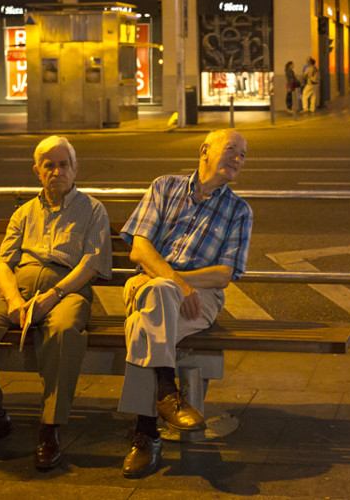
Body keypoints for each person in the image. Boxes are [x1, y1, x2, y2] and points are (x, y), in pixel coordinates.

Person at [0, 136, 111, 471]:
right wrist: (12, 299)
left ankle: (50, 427)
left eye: (63, 164)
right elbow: (3, 263)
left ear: (75, 168)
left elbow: (92, 264)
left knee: (65, 331)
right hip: (20, 286)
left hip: (66, 289)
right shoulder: (24, 213)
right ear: (37, 172)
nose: (57, 171)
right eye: (49, 166)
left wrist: (52, 296)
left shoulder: (93, 210)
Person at [119, 129, 253, 479]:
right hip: (156, 286)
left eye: (243, 155)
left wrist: (174, 281)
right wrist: (172, 281)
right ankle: (167, 393)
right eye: (231, 150)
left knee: (144, 319)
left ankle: (145, 433)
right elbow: (138, 248)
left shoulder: (240, 210)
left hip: (200, 298)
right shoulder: (164, 187)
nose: (237, 159)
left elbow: (224, 274)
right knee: (159, 294)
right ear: (204, 150)